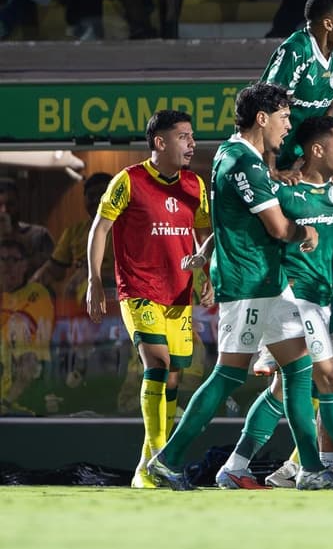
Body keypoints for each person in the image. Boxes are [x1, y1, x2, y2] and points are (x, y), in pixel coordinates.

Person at [214, 114, 333, 490]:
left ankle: (240, 467)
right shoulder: (282, 188)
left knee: (286, 389)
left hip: (320, 299)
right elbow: (252, 224)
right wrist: (211, 256)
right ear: (316, 150)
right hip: (291, 299)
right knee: (332, 379)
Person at [144, 83, 321, 491]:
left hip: (264, 285)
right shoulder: (247, 164)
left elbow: (229, 218)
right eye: (283, 117)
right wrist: (304, 230)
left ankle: (307, 469)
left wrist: (206, 252)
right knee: (227, 374)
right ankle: (167, 460)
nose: (287, 125)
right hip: (249, 286)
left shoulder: (230, 153)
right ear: (262, 118)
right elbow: (277, 228)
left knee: (298, 368)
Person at [86, 110, 212, 489]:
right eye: (184, 137)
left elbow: (205, 233)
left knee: (174, 374)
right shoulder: (129, 181)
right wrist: (94, 279)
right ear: (160, 142)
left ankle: (149, 460)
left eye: (192, 137)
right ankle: (156, 461)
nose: (192, 144)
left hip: (179, 294)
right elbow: (101, 227)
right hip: (139, 291)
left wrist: (207, 274)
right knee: (157, 363)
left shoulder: (195, 185)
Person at [261, 0, 333, 174]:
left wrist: (317, 163)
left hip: (298, 157)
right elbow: (268, 110)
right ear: (329, 24)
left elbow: (329, 112)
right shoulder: (296, 51)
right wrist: (271, 170)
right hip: (265, 157)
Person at [31, 173, 113, 303]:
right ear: (84, 199)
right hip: (82, 305)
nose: (97, 200)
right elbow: (52, 271)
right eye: (91, 196)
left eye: (103, 195)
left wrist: (91, 275)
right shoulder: (73, 232)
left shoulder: (131, 230)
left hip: (120, 303)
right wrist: (28, 290)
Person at [1, 238, 54, 415]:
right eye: (2, 259)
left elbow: (31, 361)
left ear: (25, 265)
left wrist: (6, 403)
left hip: (18, 406)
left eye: (14, 260)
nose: (8, 266)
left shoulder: (36, 295)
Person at [0, 177, 53, 277]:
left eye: (10, 204)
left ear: (19, 204)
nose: (4, 210)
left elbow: (54, 272)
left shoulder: (39, 235)